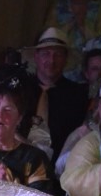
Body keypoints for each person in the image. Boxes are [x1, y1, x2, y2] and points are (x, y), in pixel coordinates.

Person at [24, 28, 89, 163]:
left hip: (62, 167)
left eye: (58, 55)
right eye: (45, 54)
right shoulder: (20, 90)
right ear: (36, 57)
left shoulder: (78, 94)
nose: (51, 60)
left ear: (65, 59)